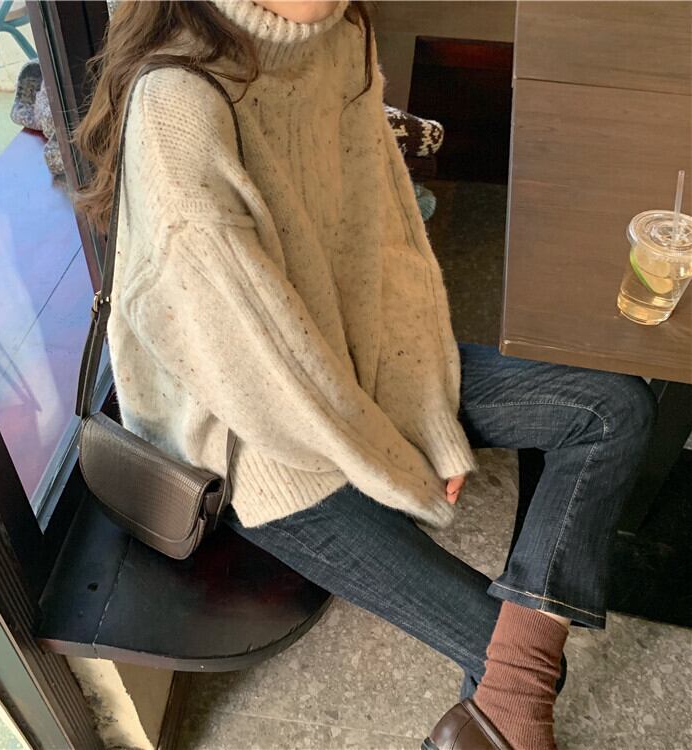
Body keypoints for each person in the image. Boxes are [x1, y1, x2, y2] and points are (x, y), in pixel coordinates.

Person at [75, 2, 658, 748]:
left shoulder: (339, 34)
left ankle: (506, 705)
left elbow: (385, 243)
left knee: (613, 408)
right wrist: (395, 457)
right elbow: (256, 377)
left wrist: (423, 412)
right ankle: (510, 704)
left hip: (357, 368)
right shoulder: (179, 107)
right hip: (255, 447)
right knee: (518, 663)